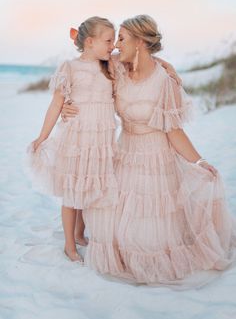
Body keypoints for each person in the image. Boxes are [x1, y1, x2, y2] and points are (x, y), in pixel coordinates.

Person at [62, 15, 236, 286]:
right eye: (116, 39)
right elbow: (82, 71)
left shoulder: (164, 81)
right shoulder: (116, 67)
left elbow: (174, 131)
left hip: (156, 157)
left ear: (140, 42)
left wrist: (199, 161)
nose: (117, 45)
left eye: (122, 38)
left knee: (150, 235)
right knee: (112, 225)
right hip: (124, 152)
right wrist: (66, 105)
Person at [27, 16, 119, 263]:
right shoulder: (70, 68)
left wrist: (169, 68)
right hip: (77, 138)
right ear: (89, 42)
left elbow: (142, 60)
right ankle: (69, 244)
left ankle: (80, 233)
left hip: (101, 139)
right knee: (72, 189)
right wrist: (42, 137)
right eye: (109, 40)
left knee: (88, 185)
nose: (113, 45)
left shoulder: (110, 66)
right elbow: (56, 104)